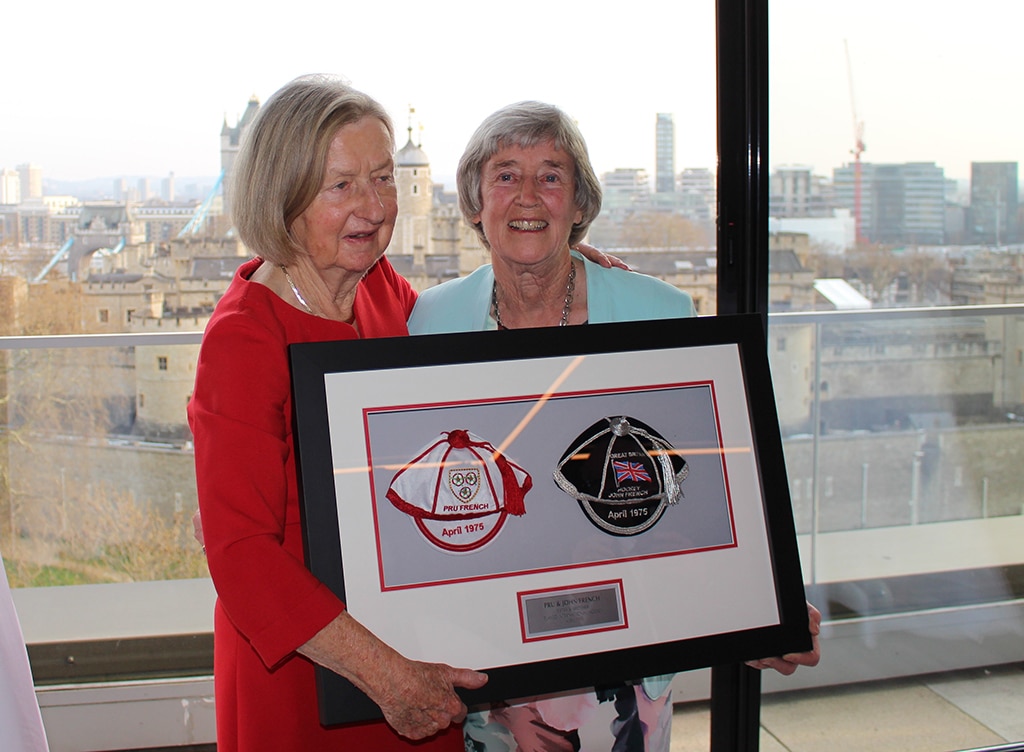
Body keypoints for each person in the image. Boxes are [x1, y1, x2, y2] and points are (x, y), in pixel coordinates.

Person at [408, 101, 821, 751]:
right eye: (506, 174)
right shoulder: (429, 320)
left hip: (625, 651)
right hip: (489, 664)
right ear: (474, 201)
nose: (529, 196)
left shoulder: (658, 314)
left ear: (579, 205)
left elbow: (702, 489)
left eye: (552, 175)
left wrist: (756, 604)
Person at [186, 74, 490, 752]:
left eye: (383, 179)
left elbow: (466, 337)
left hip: (406, 636)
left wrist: (553, 268)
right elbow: (240, 555)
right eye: (342, 185)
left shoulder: (378, 286)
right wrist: (388, 677)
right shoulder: (244, 337)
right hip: (309, 666)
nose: (375, 206)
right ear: (284, 194)